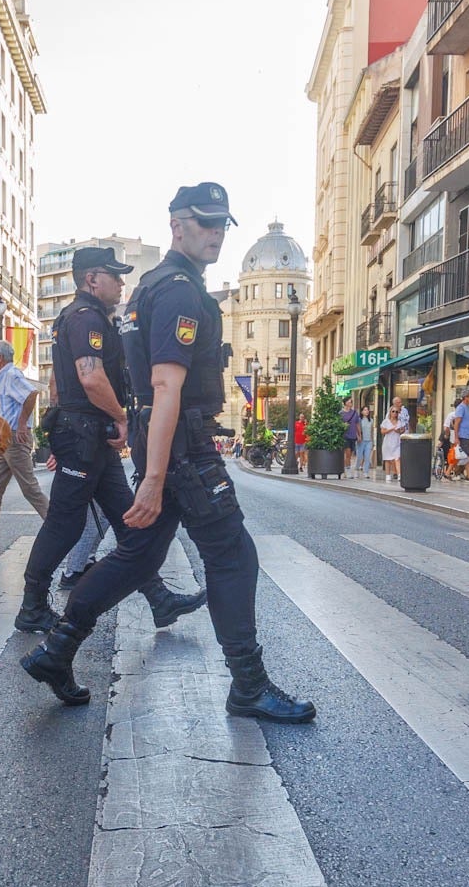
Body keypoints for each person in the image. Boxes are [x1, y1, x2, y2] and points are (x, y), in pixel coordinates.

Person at [20, 183, 313, 724]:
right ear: (177, 224)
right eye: (205, 222)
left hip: (168, 442)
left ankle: (57, 650)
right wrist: (154, 476)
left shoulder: (151, 288)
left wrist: (153, 465)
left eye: (223, 223)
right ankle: (248, 684)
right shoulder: (179, 291)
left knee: (138, 555)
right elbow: (164, 385)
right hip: (185, 447)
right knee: (232, 557)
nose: (216, 233)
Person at [15, 246, 205, 633]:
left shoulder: (87, 317)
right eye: (114, 276)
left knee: (129, 520)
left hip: (91, 439)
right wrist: (121, 416)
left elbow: (57, 381)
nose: (121, 283)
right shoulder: (86, 318)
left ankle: (158, 597)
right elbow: (90, 377)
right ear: (91, 279)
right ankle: (32, 604)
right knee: (64, 525)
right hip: (84, 437)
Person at [0, 340, 50, 549]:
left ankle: (57, 526)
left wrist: (21, 423)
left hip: (15, 440)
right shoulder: (3, 377)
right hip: (5, 441)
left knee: (29, 488)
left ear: (0, 358)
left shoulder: (11, 375)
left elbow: (31, 393)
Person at [380, 396, 407, 481]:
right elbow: (382, 432)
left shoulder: (399, 422)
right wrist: (391, 429)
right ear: (390, 412)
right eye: (393, 411)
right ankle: (388, 475)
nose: (395, 413)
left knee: (397, 458)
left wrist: (399, 431)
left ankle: (399, 475)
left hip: (397, 442)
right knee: (388, 459)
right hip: (388, 443)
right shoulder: (386, 421)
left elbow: (403, 430)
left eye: (396, 412)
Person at [453, 388, 469, 481]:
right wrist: (456, 437)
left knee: (465, 455)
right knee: (466, 456)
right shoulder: (461, 407)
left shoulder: (467, 408)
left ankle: (459, 472)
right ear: (465, 398)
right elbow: (457, 423)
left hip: (466, 435)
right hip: (462, 435)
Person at [353, 398, 375, 479]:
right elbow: (356, 429)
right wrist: (358, 437)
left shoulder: (371, 420)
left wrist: (373, 441)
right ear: (362, 412)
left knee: (367, 457)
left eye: (367, 410)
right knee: (359, 457)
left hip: (368, 441)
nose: (366, 411)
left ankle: (366, 472)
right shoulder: (359, 420)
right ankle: (356, 469)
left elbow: (372, 431)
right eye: (365, 410)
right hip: (361, 441)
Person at [341, 399, 362, 475]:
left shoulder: (354, 413)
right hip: (345, 436)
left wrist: (359, 435)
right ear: (345, 403)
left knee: (351, 454)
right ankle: (347, 470)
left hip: (353, 436)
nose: (351, 403)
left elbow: (357, 424)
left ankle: (345, 468)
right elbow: (338, 424)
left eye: (352, 402)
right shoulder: (341, 413)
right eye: (349, 402)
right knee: (348, 453)